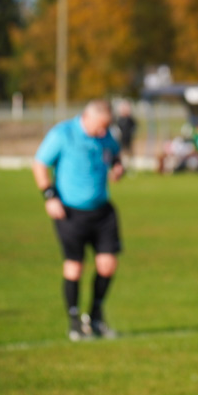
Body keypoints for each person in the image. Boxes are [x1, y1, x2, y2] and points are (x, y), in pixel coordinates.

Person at [32, 99, 126, 341]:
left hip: (102, 210)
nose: (103, 132)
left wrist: (117, 167)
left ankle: (95, 317)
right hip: (70, 211)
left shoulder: (105, 136)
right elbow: (40, 163)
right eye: (100, 126)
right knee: (75, 266)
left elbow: (115, 154)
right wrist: (49, 196)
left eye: (107, 127)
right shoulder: (63, 134)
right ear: (87, 117)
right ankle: (74, 322)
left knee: (107, 264)